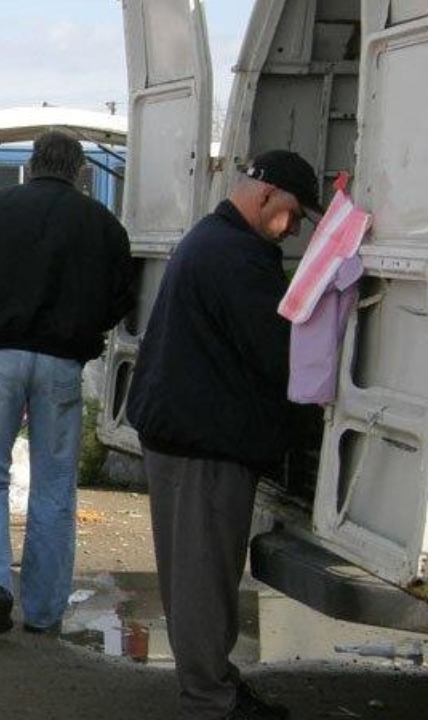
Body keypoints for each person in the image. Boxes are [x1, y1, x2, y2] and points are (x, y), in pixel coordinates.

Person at [126, 150, 320, 720]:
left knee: (198, 575)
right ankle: (209, 700)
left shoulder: (212, 239)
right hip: (202, 442)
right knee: (203, 580)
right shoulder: (237, 255)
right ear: (265, 197)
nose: (294, 229)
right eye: (294, 215)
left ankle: (216, 685)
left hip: (186, 433)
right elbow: (278, 353)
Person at [0, 131, 135, 636]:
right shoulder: (102, 225)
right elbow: (122, 299)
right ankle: (44, 611)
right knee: (54, 486)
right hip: (62, 364)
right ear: (78, 171)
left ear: (32, 165)